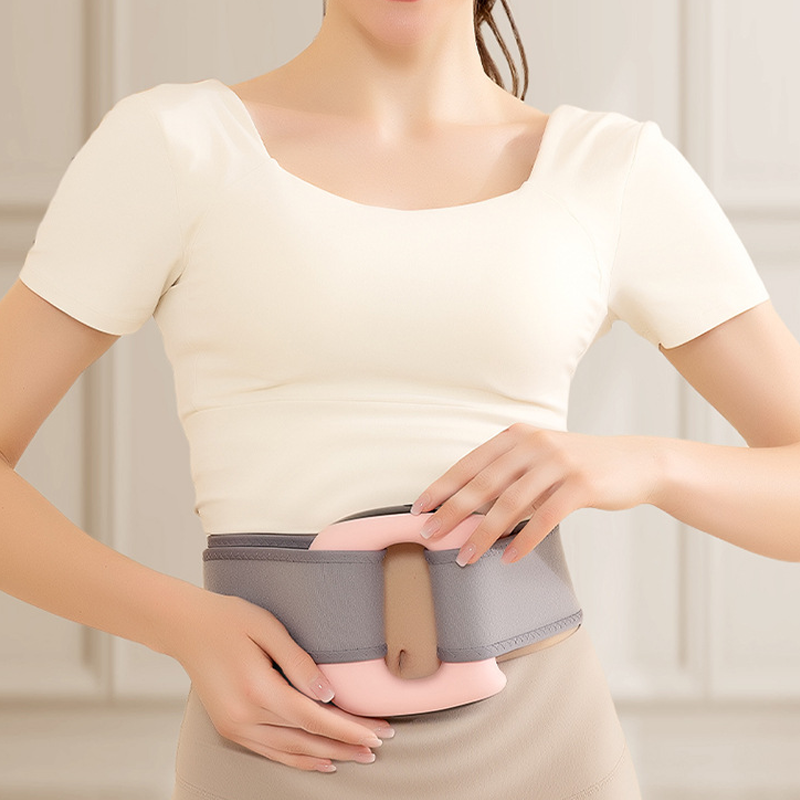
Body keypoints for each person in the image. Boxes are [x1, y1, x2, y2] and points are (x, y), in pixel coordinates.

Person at [1, 0, 799, 798]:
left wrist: (647, 465)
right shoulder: (174, 145)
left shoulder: (613, 168)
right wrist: (178, 624)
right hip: (281, 737)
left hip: (548, 740)